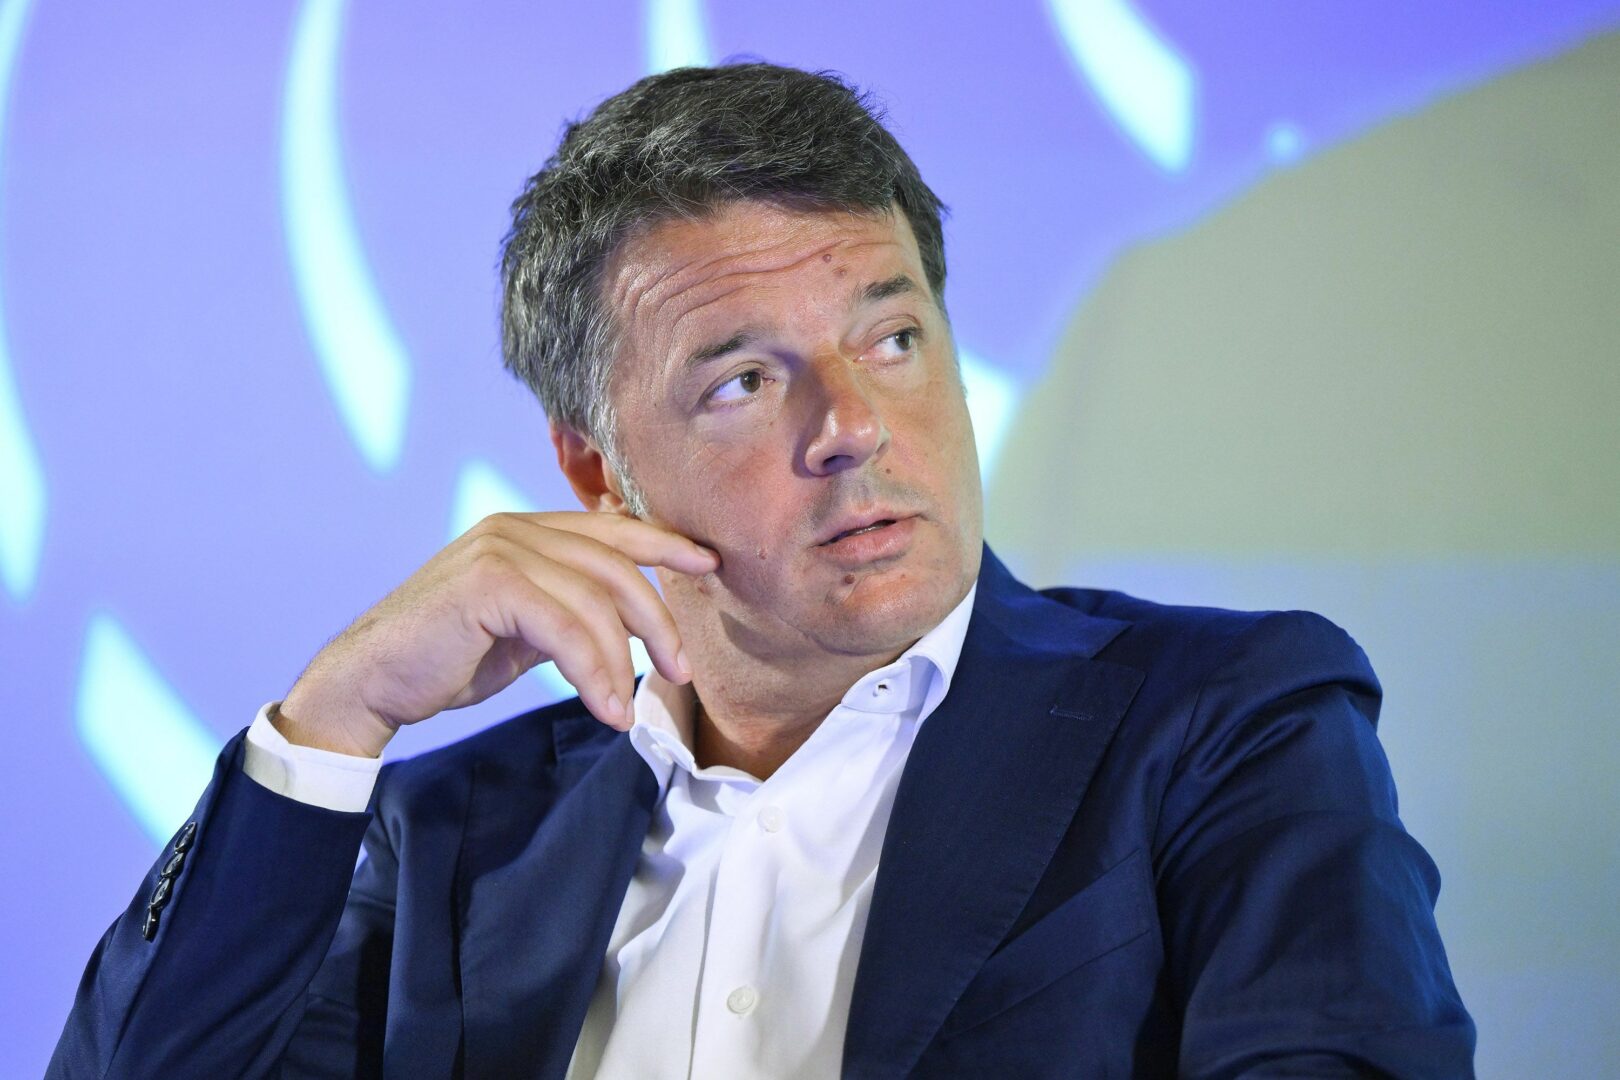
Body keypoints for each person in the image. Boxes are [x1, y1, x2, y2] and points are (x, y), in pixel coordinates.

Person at [48, 63, 1475, 1078]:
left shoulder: (1222, 720)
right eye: (744, 380)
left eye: (894, 340)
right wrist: (337, 714)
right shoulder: (450, 839)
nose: (854, 426)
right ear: (595, 469)